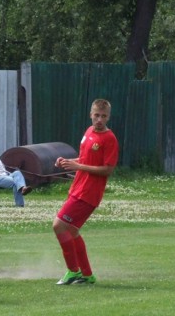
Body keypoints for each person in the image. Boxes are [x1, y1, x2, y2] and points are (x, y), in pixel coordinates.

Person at [52, 99, 119, 285]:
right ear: (91, 114)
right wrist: (68, 162)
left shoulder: (109, 139)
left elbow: (107, 169)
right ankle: (87, 275)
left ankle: (73, 271)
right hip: (78, 187)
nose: (99, 119)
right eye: (96, 115)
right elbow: (85, 158)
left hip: (89, 193)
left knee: (58, 226)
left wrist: (78, 165)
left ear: (108, 117)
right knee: (71, 231)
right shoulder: (88, 132)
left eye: (103, 116)